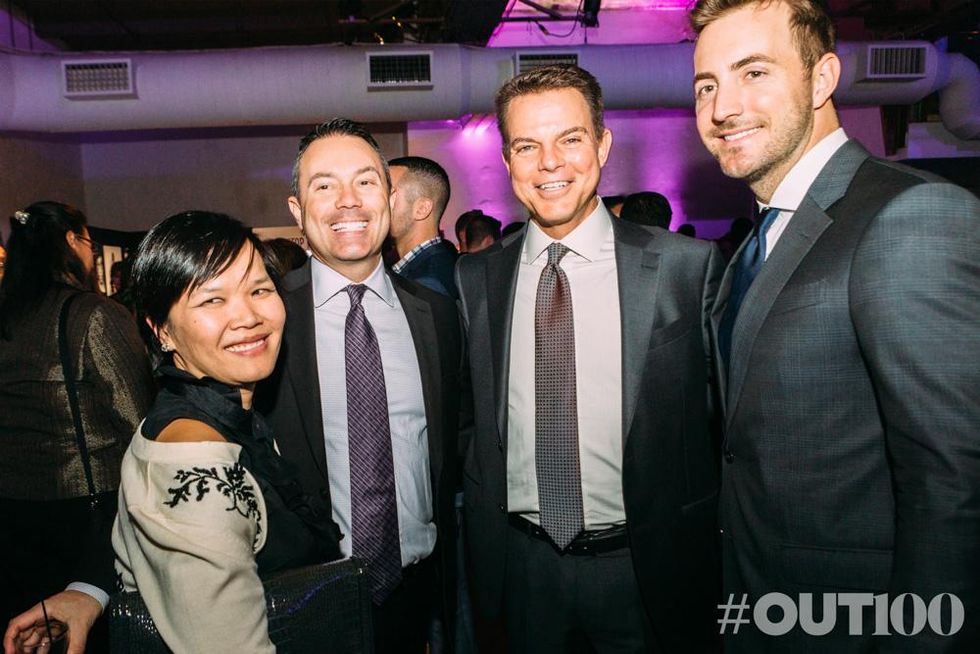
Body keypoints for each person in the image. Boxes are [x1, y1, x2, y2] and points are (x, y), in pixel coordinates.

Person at [691, 0, 980, 650]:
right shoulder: (757, 242)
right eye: (706, 85)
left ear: (823, 79)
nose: (722, 107)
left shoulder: (908, 217)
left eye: (754, 73)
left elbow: (953, 485)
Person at [456, 64, 724, 653]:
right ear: (507, 162)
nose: (549, 163)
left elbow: (723, 422)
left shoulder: (685, 268)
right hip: (522, 567)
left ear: (602, 144)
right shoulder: (477, 276)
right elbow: (472, 420)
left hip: (645, 565)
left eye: (570, 139)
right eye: (527, 146)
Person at [256, 118, 466, 654]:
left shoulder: (437, 314)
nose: (348, 201)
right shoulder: (263, 320)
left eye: (366, 181)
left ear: (391, 199)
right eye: (324, 185)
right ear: (298, 211)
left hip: (417, 592)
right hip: (302, 597)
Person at [111, 211, 340, 652]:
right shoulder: (196, 459)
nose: (248, 316)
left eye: (259, 289)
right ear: (162, 331)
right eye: (212, 300)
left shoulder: (227, 414)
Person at [1, 202, 155, 654]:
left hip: (13, 517)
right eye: (88, 241)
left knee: (29, 636)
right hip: (91, 517)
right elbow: (138, 424)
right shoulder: (91, 315)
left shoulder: (6, 319)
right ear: (71, 241)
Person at [388, 156, 459, 299]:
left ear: (421, 209)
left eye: (388, 194)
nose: (376, 203)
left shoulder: (426, 284)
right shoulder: (434, 266)